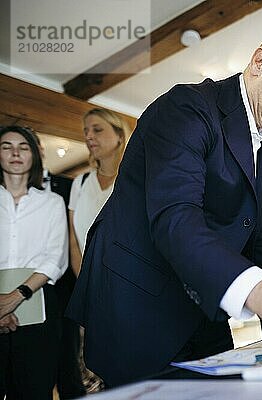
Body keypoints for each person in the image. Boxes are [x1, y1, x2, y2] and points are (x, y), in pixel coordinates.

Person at [66, 23, 262, 387]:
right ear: (260, 61)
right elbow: (176, 217)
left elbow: (254, 228)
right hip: (140, 303)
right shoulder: (186, 107)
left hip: (203, 303)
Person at [0, 126, 68, 399]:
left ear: (33, 156)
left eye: (23, 147)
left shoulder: (52, 202)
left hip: (38, 302)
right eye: (6, 146)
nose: (15, 152)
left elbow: (56, 258)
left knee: (35, 389)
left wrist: (15, 297)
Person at [34, 134, 86, 399]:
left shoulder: (70, 186)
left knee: (68, 355)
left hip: (64, 286)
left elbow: (75, 236)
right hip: (25, 290)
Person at [69, 108, 130, 277]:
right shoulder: (79, 183)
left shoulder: (134, 181)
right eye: (86, 131)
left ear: (120, 135)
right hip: (88, 279)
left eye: (97, 130)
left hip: (129, 278)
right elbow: (73, 242)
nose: (88, 137)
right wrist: (83, 281)